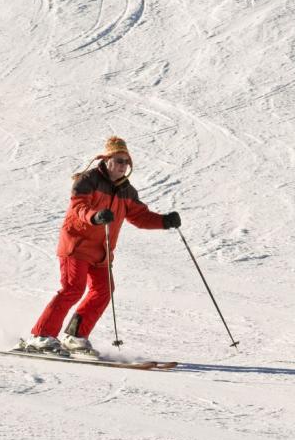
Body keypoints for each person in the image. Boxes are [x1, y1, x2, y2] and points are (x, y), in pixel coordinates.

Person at [25, 136, 181, 356]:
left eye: (126, 162)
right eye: (118, 160)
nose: (122, 166)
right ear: (107, 160)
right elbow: (78, 207)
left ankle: (75, 335)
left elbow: (140, 216)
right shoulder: (88, 180)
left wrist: (164, 221)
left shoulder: (126, 190)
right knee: (73, 289)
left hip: (102, 253)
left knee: (104, 290)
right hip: (77, 246)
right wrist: (95, 217)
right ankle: (41, 336)